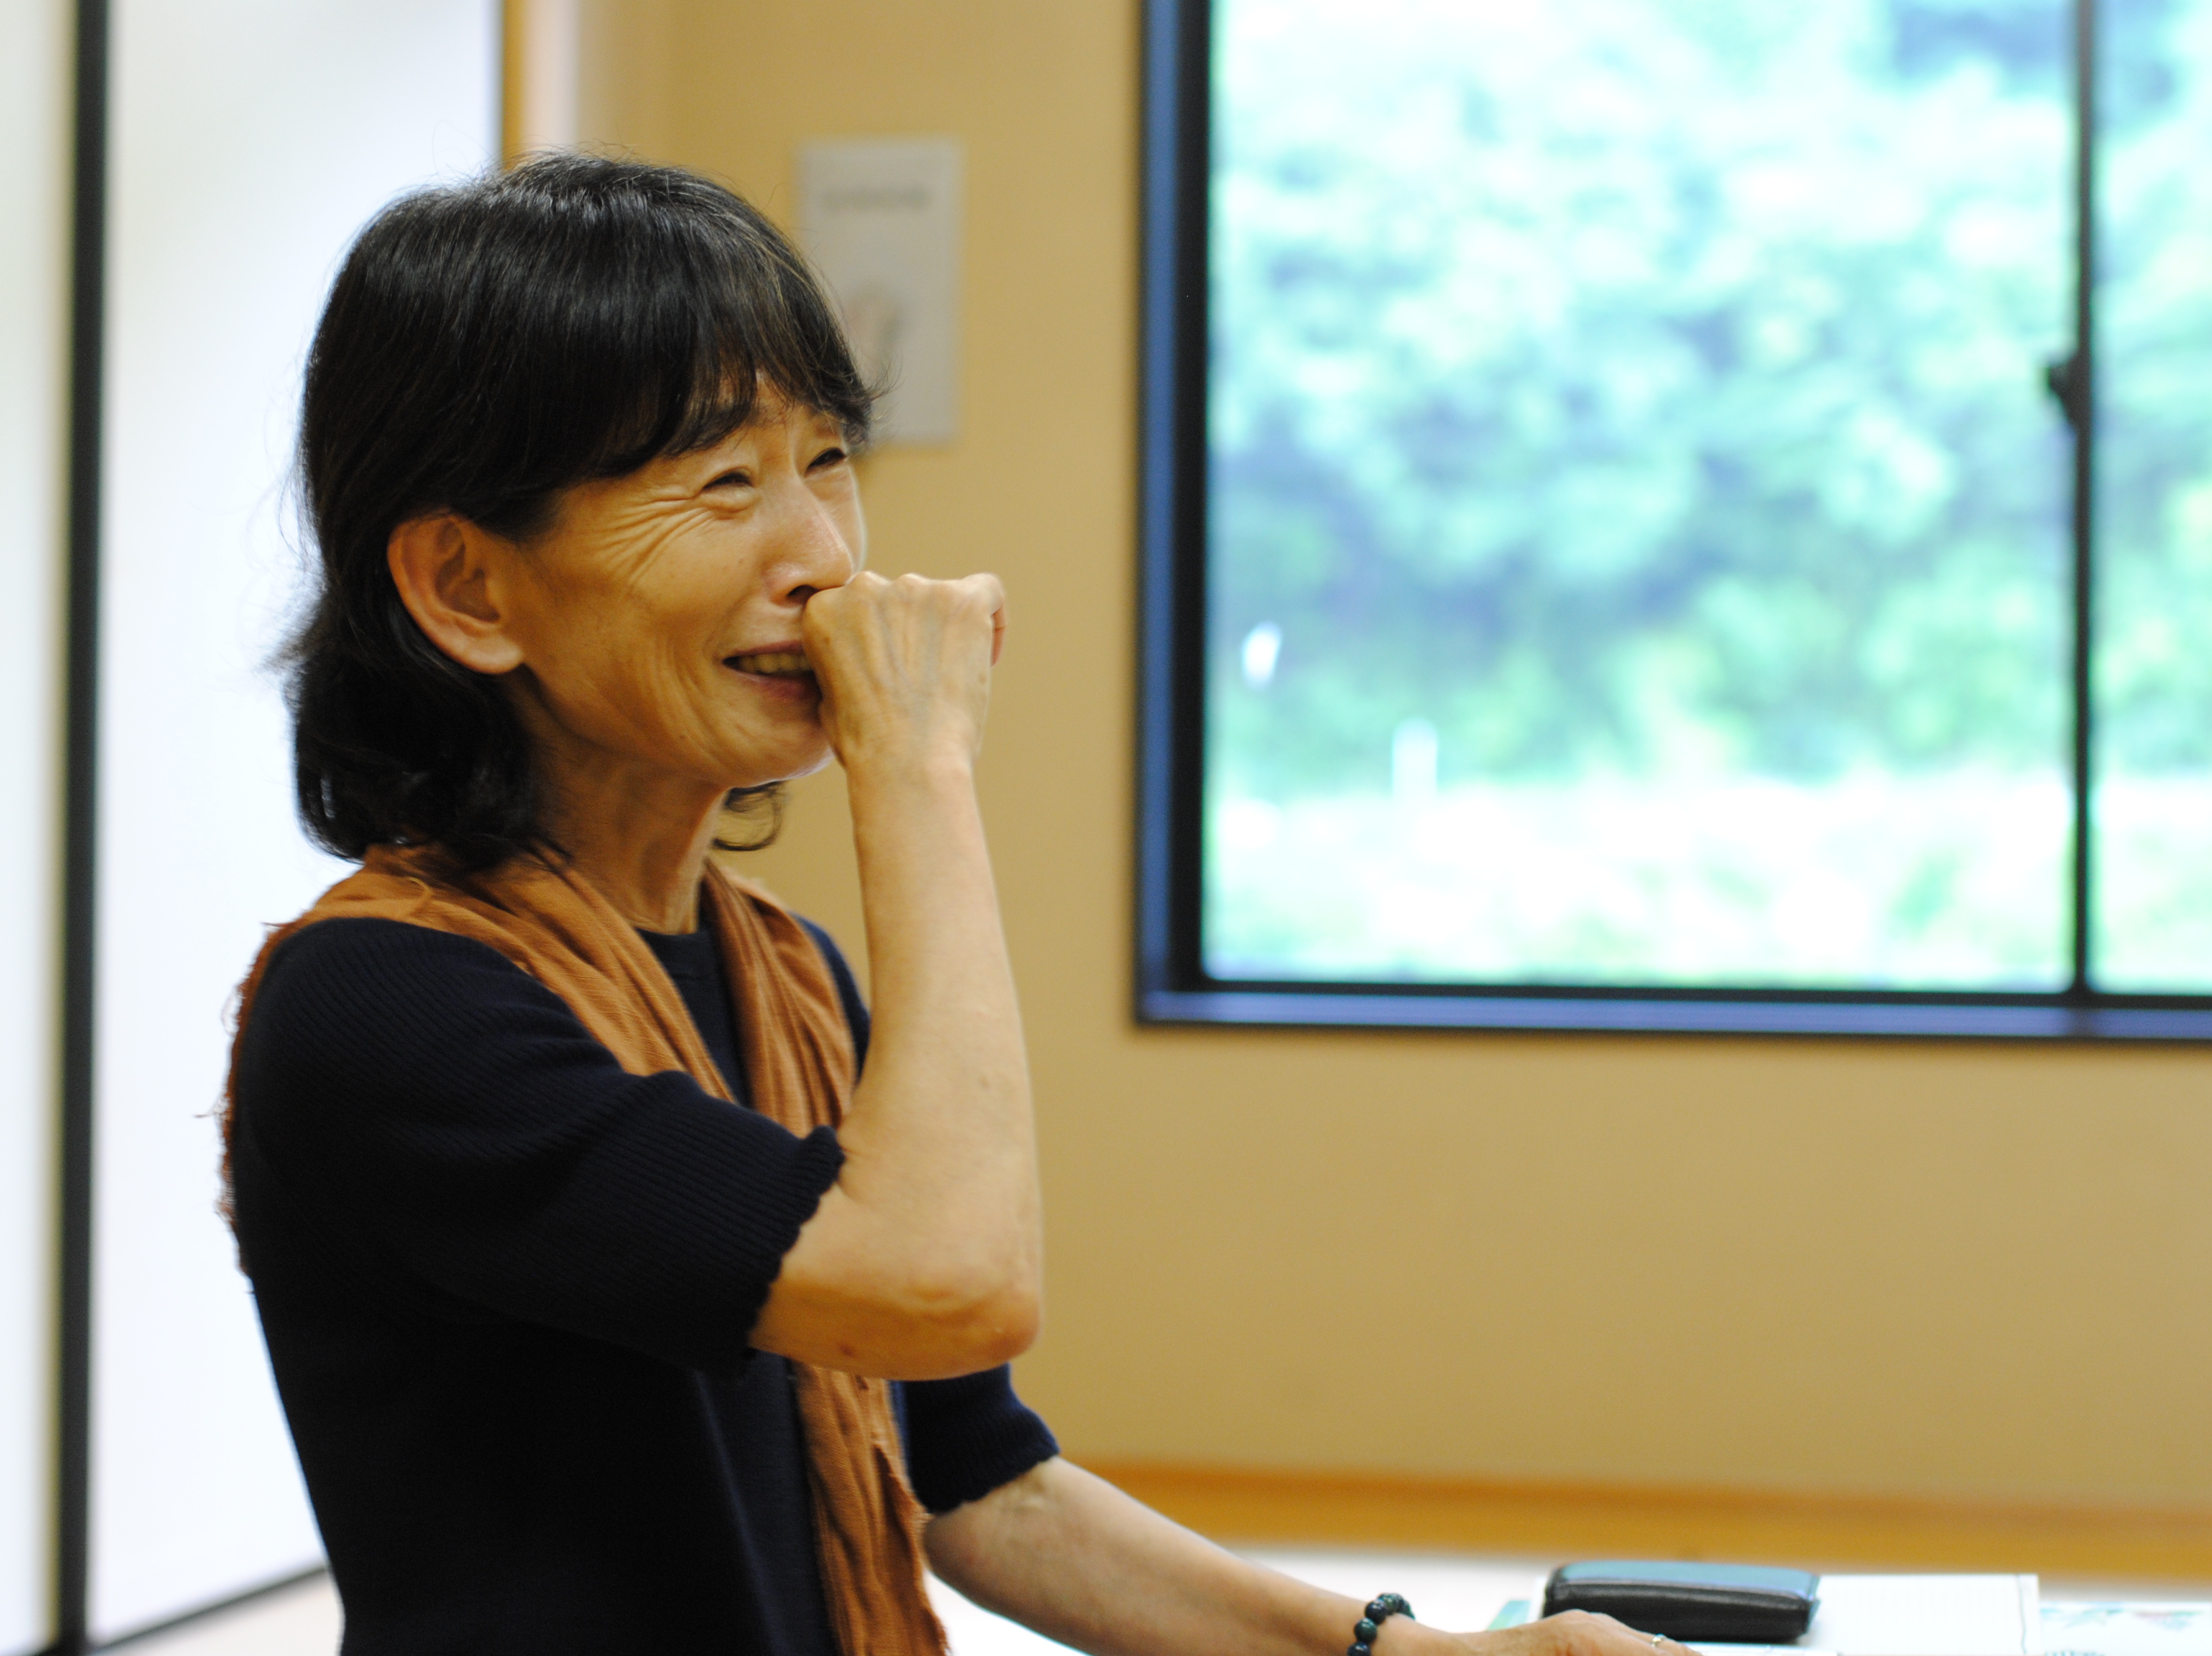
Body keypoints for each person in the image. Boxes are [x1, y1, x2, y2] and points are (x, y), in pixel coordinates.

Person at [224, 153, 1678, 1656]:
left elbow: (982, 1487)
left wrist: (1410, 1654)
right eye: (723, 483)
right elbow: (942, 1285)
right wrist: (915, 764)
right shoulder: (385, 1003)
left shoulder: (783, 973)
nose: (821, 556)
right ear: (467, 589)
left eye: (826, 459)